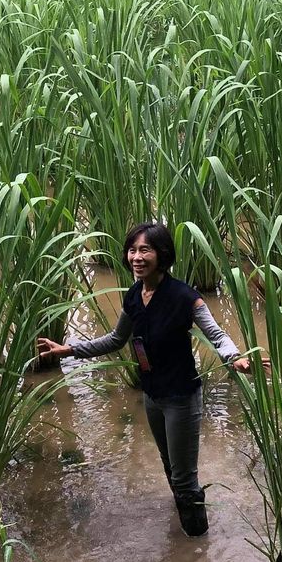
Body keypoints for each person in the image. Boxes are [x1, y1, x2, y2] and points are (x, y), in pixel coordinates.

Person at [37, 221, 249, 538]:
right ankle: (184, 532)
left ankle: (196, 546)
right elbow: (115, 339)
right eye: (132, 250)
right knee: (169, 465)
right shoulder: (135, 295)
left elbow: (216, 335)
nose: (136, 257)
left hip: (181, 396)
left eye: (144, 250)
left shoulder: (184, 297)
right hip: (153, 396)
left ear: (161, 255)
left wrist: (235, 359)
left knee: (184, 478)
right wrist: (69, 349)